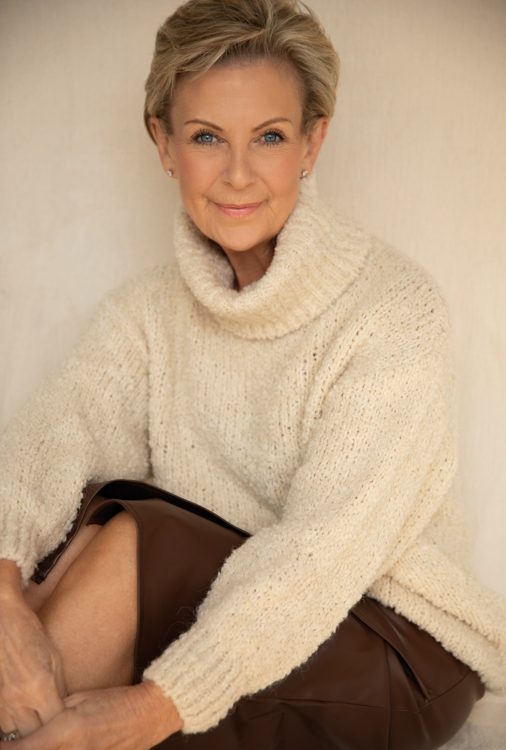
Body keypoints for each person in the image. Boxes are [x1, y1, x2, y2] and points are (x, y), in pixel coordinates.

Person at [0, 0, 505, 748]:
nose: (238, 175)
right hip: (233, 629)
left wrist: (153, 707)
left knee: (132, 533)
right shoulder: (146, 313)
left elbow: (320, 553)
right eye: (207, 137)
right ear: (164, 143)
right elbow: (57, 433)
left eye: (269, 136)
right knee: (76, 521)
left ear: (312, 142)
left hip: (393, 648)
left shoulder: (394, 310)